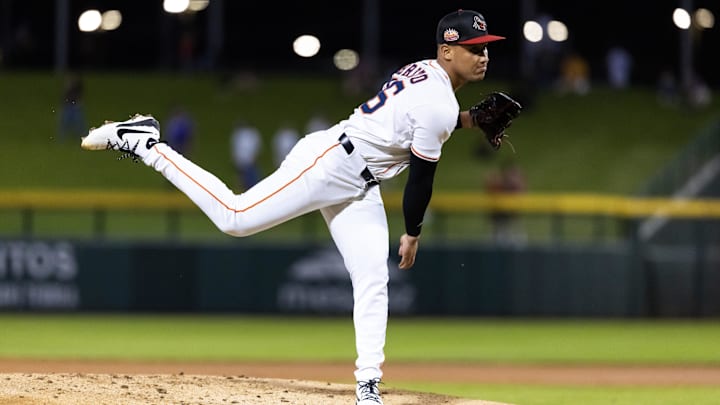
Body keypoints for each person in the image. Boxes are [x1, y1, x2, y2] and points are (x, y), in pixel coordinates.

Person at [80, 9, 510, 405]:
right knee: (236, 218)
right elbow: (421, 179)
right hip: (328, 164)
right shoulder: (437, 101)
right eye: (474, 48)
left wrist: (470, 119)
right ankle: (147, 144)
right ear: (447, 50)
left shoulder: (425, 75)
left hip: (360, 181)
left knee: (372, 276)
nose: (483, 56)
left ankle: (367, 384)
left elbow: (419, 119)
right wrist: (412, 231)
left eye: (486, 47)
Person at [230, 120, 263, 191]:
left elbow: (256, 145)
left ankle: (252, 189)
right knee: (242, 177)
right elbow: (236, 147)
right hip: (243, 160)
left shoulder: (251, 133)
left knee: (250, 177)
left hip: (249, 160)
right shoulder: (238, 134)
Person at [58, 74, 87, 142]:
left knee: (79, 126)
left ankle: (82, 139)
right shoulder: (68, 88)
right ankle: (62, 140)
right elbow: (64, 98)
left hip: (75, 108)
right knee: (64, 125)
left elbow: (79, 98)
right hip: (68, 108)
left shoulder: (78, 87)